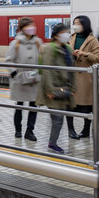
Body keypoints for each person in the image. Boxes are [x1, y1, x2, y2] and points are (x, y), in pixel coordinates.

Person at [37, 24, 76, 154]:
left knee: (59, 118)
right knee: (58, 118)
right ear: (56, 35)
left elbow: (72, 70)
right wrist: (49, 90)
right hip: (54, 88)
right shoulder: (49, 49)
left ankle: (53, 142)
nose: (67, 35)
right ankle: (52, 144)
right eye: (64, 32)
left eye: (67, 32)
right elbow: (46, 70)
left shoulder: (68, 49)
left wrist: (73, 87)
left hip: (64, 88)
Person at [67, 15, 99, 139]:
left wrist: (85, 54)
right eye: (74, 23)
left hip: (85, 79)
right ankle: (71, 130)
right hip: (71, 76)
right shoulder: (71, 38)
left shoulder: (92, 40)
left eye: (78, 23)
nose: (75, 26)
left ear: (85, 25)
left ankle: (86, 130)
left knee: (87, 106)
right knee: (69, 104)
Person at [6, 17, 41, 141]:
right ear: (21, 29)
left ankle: (30, 131)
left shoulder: (38, 42)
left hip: (34, 79)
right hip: (20, 80)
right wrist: (15, 74)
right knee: (19, 106)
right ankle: (18, 130)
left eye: (32, 25)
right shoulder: (16, 43)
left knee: (34, 106)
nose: (31, 28)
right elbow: (8, 61)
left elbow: (42, 59)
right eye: (28, 26)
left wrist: (40, 72)